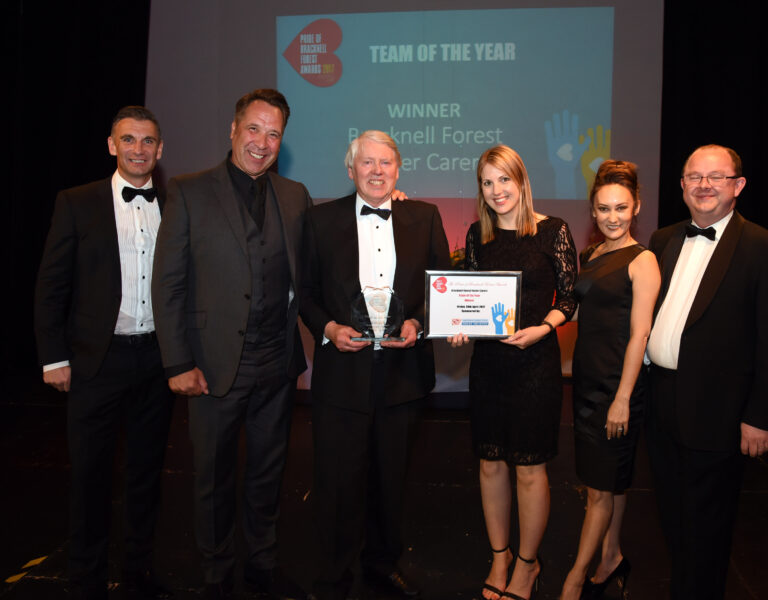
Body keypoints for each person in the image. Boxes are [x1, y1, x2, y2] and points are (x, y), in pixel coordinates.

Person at [151, 89, 310, 600]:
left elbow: (326, 250)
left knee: (268, 474)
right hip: (212, 366)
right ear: (233, 130)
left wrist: (389, 203)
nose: (262, 143)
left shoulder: (295, 195)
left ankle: (262, 564)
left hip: (277, 363)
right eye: (254, 129)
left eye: (273, 133)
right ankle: (217, 572)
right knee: (213, 479)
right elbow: (168, 284)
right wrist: (178, 362)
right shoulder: (189, 191)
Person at [300, 130, 450, 600]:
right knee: (337, 482)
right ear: (351, 170)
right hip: (341, 375)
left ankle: (382, 565)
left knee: (390, 482)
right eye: (367, 162)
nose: (377, 170)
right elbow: (305, 292)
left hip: (402, 375)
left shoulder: (425, 217)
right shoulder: (319, 220)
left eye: (386, 162)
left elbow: (440, 284)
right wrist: (328, 328)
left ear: (398, 169)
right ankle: (333, 573)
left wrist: (419, 323)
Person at [34, 106, 174, 600]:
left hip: (157, 361)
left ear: (160, 149)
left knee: (145, 476)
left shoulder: (176, 203)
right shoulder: (77, 201)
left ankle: (138, 574)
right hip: (97, 362)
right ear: (112, 145)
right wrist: (54, 357)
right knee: (90, 478)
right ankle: (86, 580)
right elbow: (51, 284)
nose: (139, 149)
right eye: (128, 139)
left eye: (148, 140)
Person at [449, 145, 577, 600]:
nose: (496, 190)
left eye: (504, 179)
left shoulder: (553, 231)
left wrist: (543, 329)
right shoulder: (476, 235)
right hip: (489, 367)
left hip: (535, 367)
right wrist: (460, 324)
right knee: (490, 464)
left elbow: (569, 298)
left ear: (521, 181)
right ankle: (500, 555)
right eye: (487, 182)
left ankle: (527, 563)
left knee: (528, 469)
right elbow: (469, 298)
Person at [645, 144, 768, 599]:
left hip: (719, 411)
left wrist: (759, 416)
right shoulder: (662, 239)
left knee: (708, 529)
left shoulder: (760, 245)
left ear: (738, 185)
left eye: (716, 177)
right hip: (661, 400)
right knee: (673, 518)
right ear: (682, 185)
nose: (704, 185)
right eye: (695, 176)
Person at [559, 161, 660, 600]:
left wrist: (622, 398)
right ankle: (612, 554)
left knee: (599, 491)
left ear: (636, 207)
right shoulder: (593, 255)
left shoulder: (643, 260)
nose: (612, 217)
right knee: (610, 482)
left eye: (621, 207)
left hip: (617, 389)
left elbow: (640, 334)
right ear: (592, 210)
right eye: (603, 209)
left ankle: (574, 579)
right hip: (587, 383)